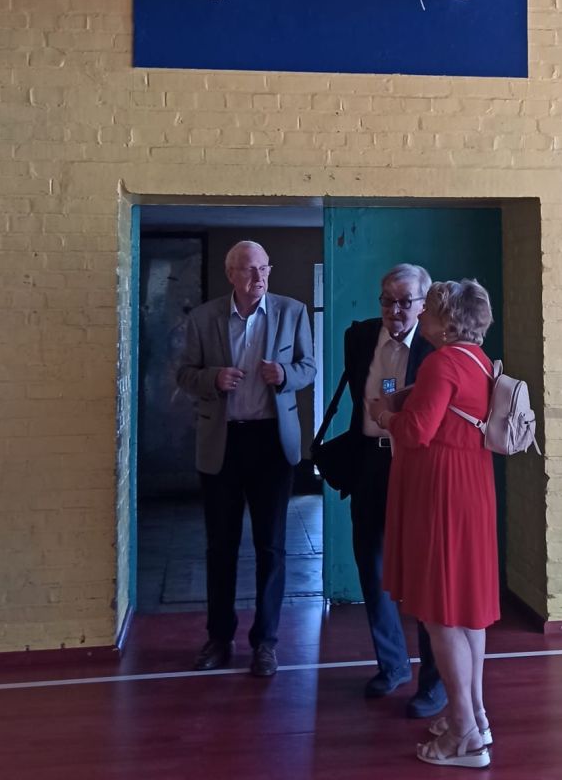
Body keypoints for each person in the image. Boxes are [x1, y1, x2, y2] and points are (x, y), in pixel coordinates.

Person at [369, 279, 499, 770]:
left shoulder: (441, 362)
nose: (419, 314)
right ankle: (475, 713)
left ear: (446, 322)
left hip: (441, 489)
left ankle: (465, 734)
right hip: (470, 485)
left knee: (440, 612)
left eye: (428, 310)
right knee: (467, 610)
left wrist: (384, 417)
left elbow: (418, 431)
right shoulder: (477, 360)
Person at [177, 240, 316, 677]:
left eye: (264, 268)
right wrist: (213, 378)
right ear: (231, 274)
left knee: (271, 546)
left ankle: (266, 642)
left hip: (271, 443)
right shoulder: (204, 318)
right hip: (223, 442)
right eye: (249, 270)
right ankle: (219, 637)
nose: (259, 277)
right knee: (220, 545)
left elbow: (309, 367)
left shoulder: (292, 312)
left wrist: (286, 374)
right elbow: (184, 374)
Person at [341, 264, 446, 718]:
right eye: (387, 300)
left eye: (405, 302)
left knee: (424, 571)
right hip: (370, 459)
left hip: (417, 462)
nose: (395, 310)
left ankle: (434, 683)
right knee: (371, 562)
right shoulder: (360, 337)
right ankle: (392, 664)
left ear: (424, 305)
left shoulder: (437, 345)